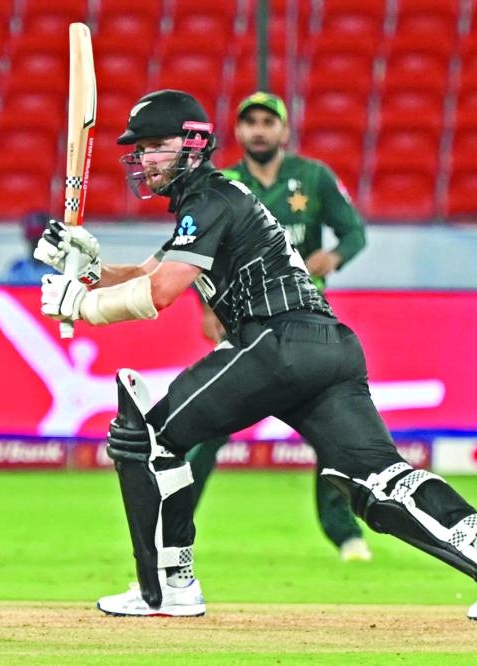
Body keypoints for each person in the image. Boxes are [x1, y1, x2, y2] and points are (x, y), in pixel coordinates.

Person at [35, 89, 477, 619]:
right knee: (376, 479)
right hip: (329, 346)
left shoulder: (212, 199)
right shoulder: (216, 201)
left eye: (156, 146)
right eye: (141, 149)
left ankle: (167, 588)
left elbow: (158, 295)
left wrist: (84, 306)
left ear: (191, 146)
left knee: (150, 439)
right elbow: (146, 274)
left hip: (274, 341)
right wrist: (88, 267)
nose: (144, 159)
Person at [187, 91, 372, 563]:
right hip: (245, 324)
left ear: (284, 131)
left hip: (306, 324)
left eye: (268, 121)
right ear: (240, 132)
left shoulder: (312, 177)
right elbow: (197, 252)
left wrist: (335, 256)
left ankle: (344, 531)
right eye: (250, 122)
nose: (259, 129)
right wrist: (207, 304)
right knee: (206, 428)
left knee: (335, 433)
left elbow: (354, 231)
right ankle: (174, 527)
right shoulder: (223, 182)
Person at [6, 211, 55, 285]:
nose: (36, 244)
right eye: (33, 239)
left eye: (39, 239)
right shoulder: (18, 269)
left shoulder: (61, 270)